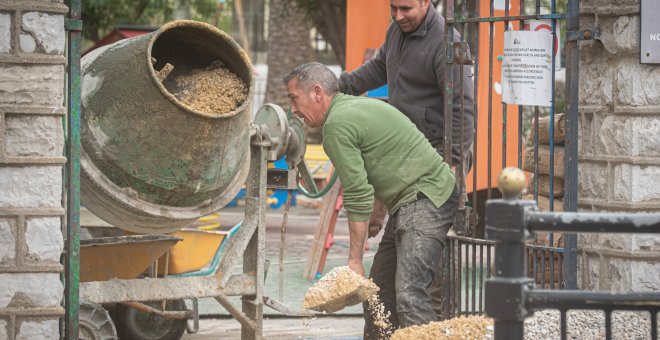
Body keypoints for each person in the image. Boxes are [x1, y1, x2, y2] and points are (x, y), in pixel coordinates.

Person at [284, 62, 458, 338]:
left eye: (294, 98)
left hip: (427, 196)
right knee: (379, 293)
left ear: (317, 92)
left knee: (410, 294)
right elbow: (383, 162)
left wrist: (354, 259)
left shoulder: (336, 126)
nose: (292, 109)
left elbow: (357, 191)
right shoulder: (355, 107)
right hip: (412, 198)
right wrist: (378, 212)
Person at [339, 0, 476, 317]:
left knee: (415, 291)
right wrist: (339, 85)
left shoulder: (447, 43)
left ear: (426, 2)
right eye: (393, 8)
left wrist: (450, 167)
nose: (398, 15)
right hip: (405, 165)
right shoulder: (396, 31)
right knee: (382, 292)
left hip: (432, 170)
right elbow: (376, 69)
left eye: (406, 9)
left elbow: (463, 111)